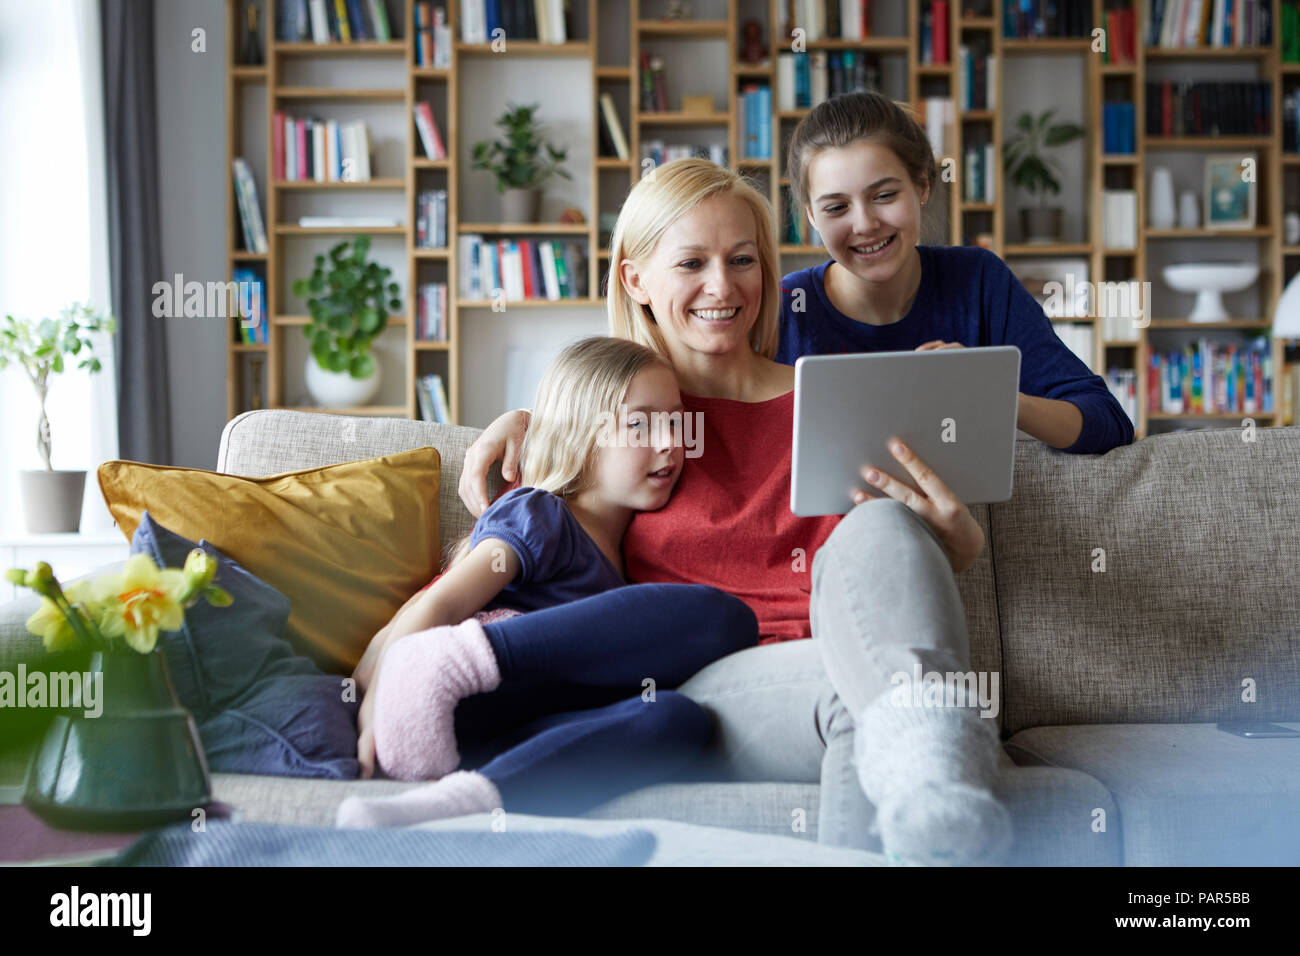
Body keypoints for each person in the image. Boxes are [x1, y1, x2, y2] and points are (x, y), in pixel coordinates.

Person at [460, 157, 1025, 865]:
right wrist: (525, 423)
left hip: (866, 661)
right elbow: (538, 527)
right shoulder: (622, 429)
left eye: (742, 260)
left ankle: (935, 805)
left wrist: (955, 547)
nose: (722, 287)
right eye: (692, 262)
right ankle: (945, 803)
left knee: (879, 549)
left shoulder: (844, 399)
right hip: (713, 688)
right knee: (868, 697)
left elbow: (891, 587)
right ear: (635, 279)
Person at [337, 336, 758, 829]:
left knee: (678, 720)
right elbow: (442, 605)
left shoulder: (631, 562)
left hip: (503, 738)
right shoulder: (542, 513)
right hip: (451, 698)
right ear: (581, 435)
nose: (669, 441)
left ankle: (457, 806)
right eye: (641, 424)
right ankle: (455, 666)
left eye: (674, 421)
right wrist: (378, 707)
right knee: (723, 619)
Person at [781, 91, 1133, 455]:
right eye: (837, 207)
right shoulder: (786, 308)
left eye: (884, 196)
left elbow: (1109, 423)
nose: (865, 224)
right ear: (811, 216)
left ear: (922, 185)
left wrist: (996, 396)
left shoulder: (978, 280)